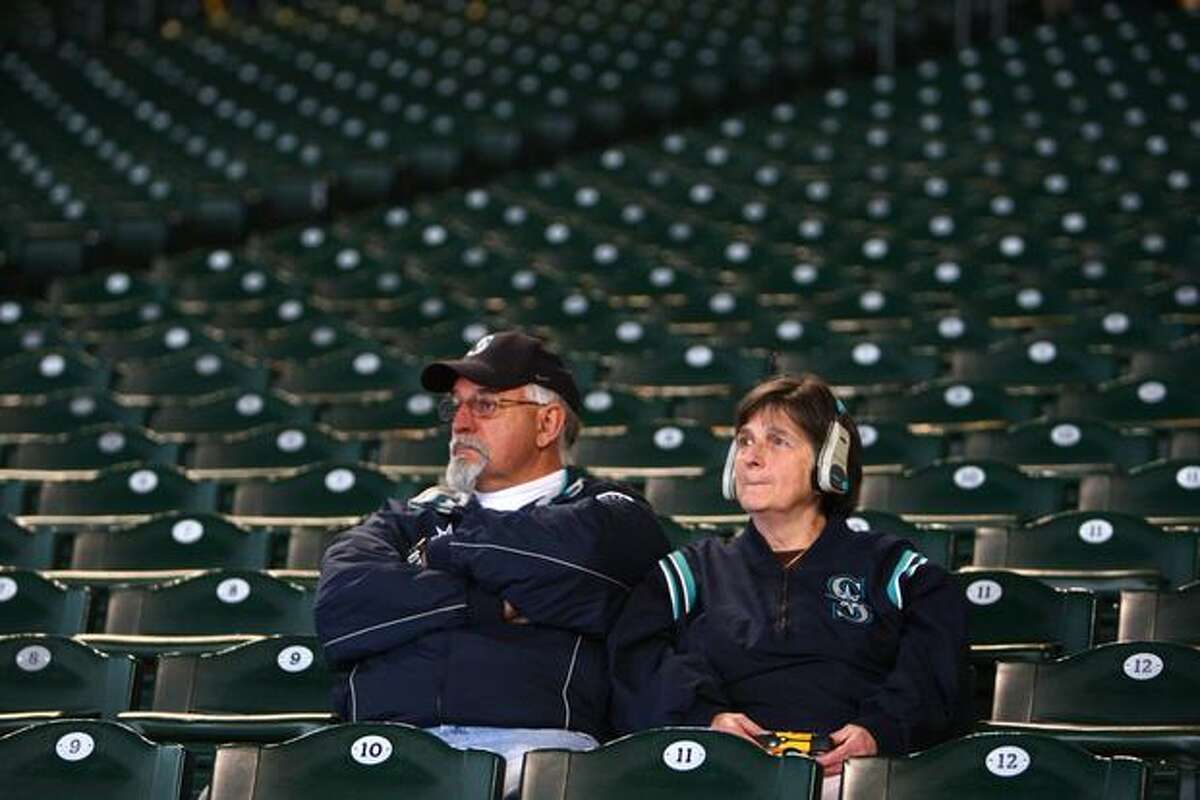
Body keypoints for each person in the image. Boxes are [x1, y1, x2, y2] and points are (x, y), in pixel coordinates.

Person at [314, 330, 669, 797]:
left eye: (485, 406)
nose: (460, 422)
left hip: (530, 760)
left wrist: (435, 556)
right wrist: (488, 602)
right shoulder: (409, 517)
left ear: (548, 423)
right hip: (378, 753)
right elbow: (339, 607)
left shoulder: (610, 512)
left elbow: (568, 560)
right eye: (454, 407)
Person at [609, 374, 969, 797]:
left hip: (854, 781)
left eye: (777, 441)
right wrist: (705, 719)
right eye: (744, 441)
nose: (750, 458)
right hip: (715, 775)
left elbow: (935, 665)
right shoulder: (689, 573)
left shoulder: (896, 571)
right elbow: (634, 660)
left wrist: (880, 731)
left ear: (830, 460)